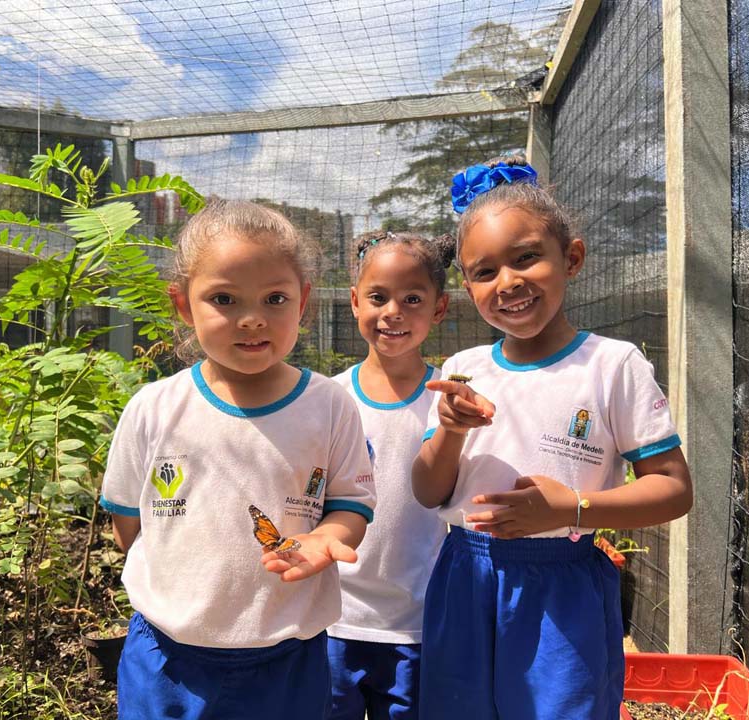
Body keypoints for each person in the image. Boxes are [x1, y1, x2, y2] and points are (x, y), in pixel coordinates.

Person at [412, 156, 693, 720]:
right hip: (465, 575)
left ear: (572, 258)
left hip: (563, 582)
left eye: (526, 259)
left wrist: (573, 507)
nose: (508, 282)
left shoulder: (612, 365)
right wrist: (447, 433)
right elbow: (427, 490)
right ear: (467, 287)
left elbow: (673, 489)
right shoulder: (464, 368)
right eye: (484, 272)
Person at [99, 199, 376, 720]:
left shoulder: (329, 405)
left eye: (275, 298)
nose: (252, 319)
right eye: (224, 299)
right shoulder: (154, 408)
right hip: (166, 659)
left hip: (287, 660)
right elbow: (127, 526)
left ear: (303, 302)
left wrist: (327, 538)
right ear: (183, 305)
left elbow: (351, 505)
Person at [328, 230, 453, 720]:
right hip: (332, 621)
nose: (393, 312)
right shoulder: (328, 401)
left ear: (439, 309)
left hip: (418, 625)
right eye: (378, 297)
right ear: (356, 301)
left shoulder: (451, 402)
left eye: (413, 298)